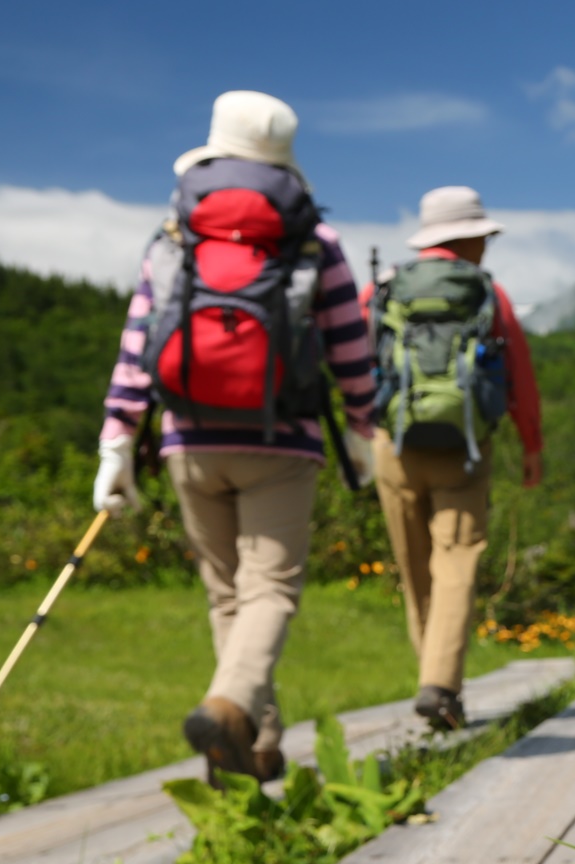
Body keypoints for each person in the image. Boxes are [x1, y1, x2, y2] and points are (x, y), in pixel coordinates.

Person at [93, 91, 377, 785]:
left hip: (187, 438)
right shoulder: (316, 243)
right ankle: (230, 709)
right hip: (283, 441)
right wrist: (365, 433)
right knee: (271, 590)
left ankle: (256, 743)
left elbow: (138, 344)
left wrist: (116, 442)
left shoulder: (173, 236)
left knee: (227, 594)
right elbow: (349, 349)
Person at [365, 187, 544, 730]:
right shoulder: (490, 295)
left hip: (392, 442)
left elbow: (355, 356)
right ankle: (440, 685)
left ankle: (434, 682)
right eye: (482, 238)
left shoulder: (384, 287)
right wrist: (531, 445)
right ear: (467, 239)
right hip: (464, 446)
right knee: (457, 561)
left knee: (415, 567)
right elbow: (519, 376)